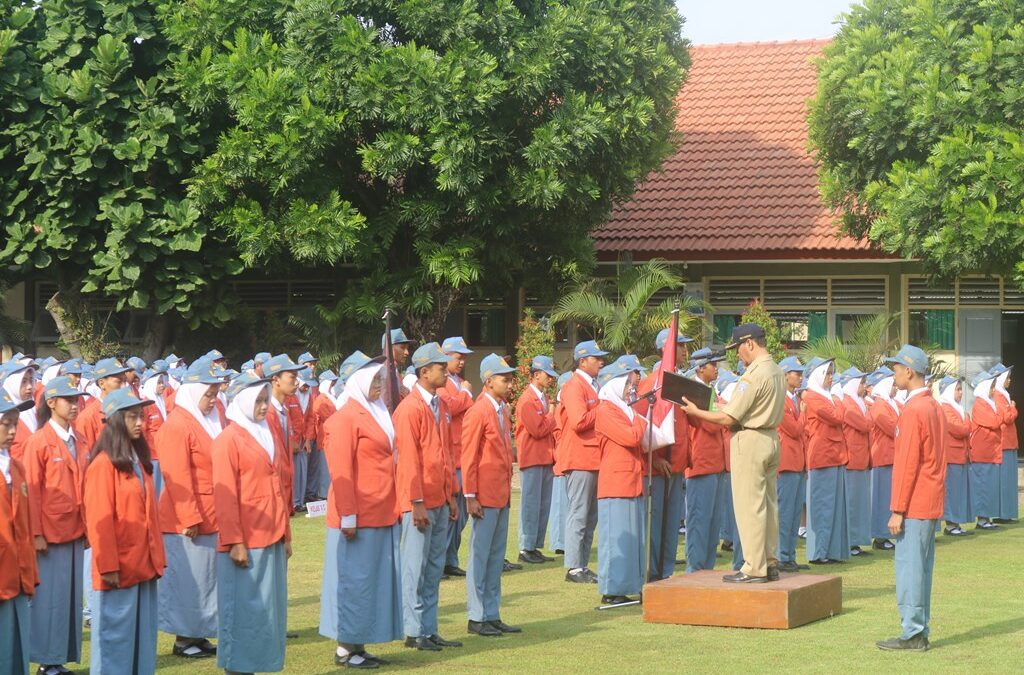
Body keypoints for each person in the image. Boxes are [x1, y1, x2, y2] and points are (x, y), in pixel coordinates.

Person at [681, 324, 786, 583]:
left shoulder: (753, 375)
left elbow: (728, 417)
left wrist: (696, 412)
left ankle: (753, 567)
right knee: (769, 505)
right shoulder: (776, 370)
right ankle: (769, 562)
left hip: (750, 439)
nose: (737, 354)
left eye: (738, 347)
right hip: (771, 437)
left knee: (750, 506)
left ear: (750, 343)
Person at [322, 353, 402, 668]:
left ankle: (358, 643)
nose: (380, 386)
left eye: (381, 380)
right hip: (358, 513)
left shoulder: (376, 411)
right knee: (354, 581)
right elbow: (341, 471)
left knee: (370, 582)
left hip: (381, 510)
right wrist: (349, 515)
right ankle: (346, 648)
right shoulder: (344, 418)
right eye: (375, 380)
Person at [213, 373, 292, 674]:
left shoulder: (266, 431)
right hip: (247, 537)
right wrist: (234, 541)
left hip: (270, 533)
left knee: (266, 612)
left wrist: (286, 533)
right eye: (257, 401)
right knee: (243, 609)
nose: (263, 406)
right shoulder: (228, 440)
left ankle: (256, 666)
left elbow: (279, 486)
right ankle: (237, 668)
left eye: (265, 400)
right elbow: (225, 496)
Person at [83, 389, 166, 675]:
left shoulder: (137, 459)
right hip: (118, 569)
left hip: (143, 565)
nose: (141, 423)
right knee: (114, 645)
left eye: (141, 416)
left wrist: (156, 557)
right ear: (117, 421)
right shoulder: (103, 466)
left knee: (141, 643)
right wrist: (107, 566)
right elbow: (99, 521)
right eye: (132, 417)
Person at [876, 345, 945, 652]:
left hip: (915, 503)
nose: (894, 374)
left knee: (910, 570)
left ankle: (913, 632)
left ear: (910, 371)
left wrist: (897, 509)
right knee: (921, 569)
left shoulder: (915, 409)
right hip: (928, 501)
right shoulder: (932, 406)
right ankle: (919, 629)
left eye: (896, 368)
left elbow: (906, 465)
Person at [393, 343, 460, 652]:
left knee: (433, 569)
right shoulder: (409, 409)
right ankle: (413, 629)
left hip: (438, 498)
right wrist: (416, 502)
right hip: (418, 502)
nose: (446, 370)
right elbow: (408, 460)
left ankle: (429, 629)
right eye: (440, 367)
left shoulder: (441, 405)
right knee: (415, 569)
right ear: (424, 372)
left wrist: (450, 496)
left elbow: (444, 455)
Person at [156, 360, 225, 659]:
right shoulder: (177, 425)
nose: (213, 400)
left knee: (206, 578)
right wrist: (189, 517)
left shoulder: (208, 419)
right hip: (187, 518)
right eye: (208, 394)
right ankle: (185, 639)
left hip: (211, 512)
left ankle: (196, 634)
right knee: (189, 580)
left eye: (215, 394)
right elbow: (177, 476)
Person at [23, 377, 87, 675]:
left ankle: (57, 659)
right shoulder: (39, 442)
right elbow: (33, 492)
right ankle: (47, 662)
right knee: (50, 600)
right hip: (49, 534)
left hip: (74, 531)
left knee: (70, 600)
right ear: (51, 403)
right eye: (68, 400)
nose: (75, 405)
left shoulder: (78, 439)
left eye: (76, 400)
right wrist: (35, 533)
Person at [462, 354, 521, 636]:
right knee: (480, 556)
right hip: (484, 495)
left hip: (500, 493)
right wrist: (471, 495)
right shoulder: (479, 411)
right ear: (488, 381)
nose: (509, 383)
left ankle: (491, 612)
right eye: (504, 378)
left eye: (510, 378)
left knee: (496, 557)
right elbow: (469, 456)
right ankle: (476, 616)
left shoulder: (501, 409)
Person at [638, 329, 693, 581]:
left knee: (671, 523)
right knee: (656, 523)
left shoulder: (680, 379)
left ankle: (667, 570)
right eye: (680, 345)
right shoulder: (652, 382)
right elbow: (641, 423)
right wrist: (655, 458)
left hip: (678, 461)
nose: (684, 350)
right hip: (659, 464)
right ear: (667, 348)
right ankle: (652, 570)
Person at [595, 355, 650, 604]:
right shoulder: (606, 410)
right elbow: (630, 437)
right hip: (616, 483)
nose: (631, 389)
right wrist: (640, 420)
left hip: (630, 480)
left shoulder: (622, 409)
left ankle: (630, 583)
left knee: (632, 537)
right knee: (616, 538)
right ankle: (612, 589)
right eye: (627, 384)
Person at [559, 340, 609, 584]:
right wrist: (604, 408)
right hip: (580, 457)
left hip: (592, 457)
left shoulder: (592, 385)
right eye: (596, 358)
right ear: (582, 361)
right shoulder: (573, 386)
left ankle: (582, 564)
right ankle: (573, 567)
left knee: (590, 516)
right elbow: (579, 421)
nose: (601, 361)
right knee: (579, 513)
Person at [0, 388, 38, 675]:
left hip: (17, 570)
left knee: (16, 647)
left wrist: (30, 572)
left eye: (15, 423)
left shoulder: (17, 467)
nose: (13, 431)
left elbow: (23, 524)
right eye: (6, 424)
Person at [682, 347, 729, 573]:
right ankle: (695, 569)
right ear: (701, 368)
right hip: (702, 464)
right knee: (700, 521)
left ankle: (706, 569)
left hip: (716, 463)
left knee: (712, 523)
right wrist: (722, 412)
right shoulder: (694, 392)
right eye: (713, 365)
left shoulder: (709, 391)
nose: (717, 369)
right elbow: (711, 423)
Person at [802, 358, 850, 565]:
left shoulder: (825, 396)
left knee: (835, 506)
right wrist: (839, 400)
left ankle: (831, 550)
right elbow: (838, 417)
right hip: (822, 456)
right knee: (822, 507)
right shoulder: (813, 397)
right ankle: (819, 552)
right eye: (828, 374)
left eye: (832, 373)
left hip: (834, 455)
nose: (831, 378)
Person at [515, 356, 558, 565]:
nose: (550, 378)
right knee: (531, 504)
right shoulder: (527, 399)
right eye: (547, 375)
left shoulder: (541, 397)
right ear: (535, 375)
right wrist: (552, 415)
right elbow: (537, 429)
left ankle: (534, 546)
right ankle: (525, 547)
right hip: (532, 457)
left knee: (542, 504)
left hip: (544, 456)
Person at [438, 336, 474, 578]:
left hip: (464, 455)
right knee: (450, 513)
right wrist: (465, 394)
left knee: (460, 515)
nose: (461, 362)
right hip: (451, 456)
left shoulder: (458, 382)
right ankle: (441, 560)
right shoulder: (443, 383)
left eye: (463, 358)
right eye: (458, 357)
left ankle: (451, 558)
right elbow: (448, 407)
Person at [776, 357, 808, 573]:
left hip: (797, 462)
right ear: (786, 375)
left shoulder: (794, 399)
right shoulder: (781, 400)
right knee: (785, 513)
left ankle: (789, 555)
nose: (800, 376)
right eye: (796, 373)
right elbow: (795, 430)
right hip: (786, 462)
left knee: (795, 514)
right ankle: (781, 555)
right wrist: (804, 412)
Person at [262, 354, 305, 514]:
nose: (297, 382)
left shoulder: (282, 411)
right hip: (270, 498)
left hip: (283, 495)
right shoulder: (265, 415)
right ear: (276, 379)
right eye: (292, 377)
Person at [841, 368, 873, 556]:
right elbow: (866, 425)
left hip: (861, 459)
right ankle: (851, 542)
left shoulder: (858, 403)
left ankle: (856, 542)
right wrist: (869, 412)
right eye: (861, 383)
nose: (864, 387)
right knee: (853, 504)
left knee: (860, 504)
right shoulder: (849, 404)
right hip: (853, 460)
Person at [867, 368, 899, 550]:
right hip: (883, 456)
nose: (895, 388)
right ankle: (880, 536)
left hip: (890, 456)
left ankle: (883, 536)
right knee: (882, 498)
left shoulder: (888, 403)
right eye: (893, 385)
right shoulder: (880, 406)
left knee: (887, 498)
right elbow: (892, 428)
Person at [938, 376, 972, 536]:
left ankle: (955, 523)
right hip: (952, 456)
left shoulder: (956, 407)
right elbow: (960, 430)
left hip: (960, 455)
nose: (960, 393)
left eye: (960, 389)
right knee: (952, 491)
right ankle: (951, 524)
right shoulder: (946, 408)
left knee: (958, 491)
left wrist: (966, 421)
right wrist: (967, 419)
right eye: (957, 389)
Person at [968, 370, 1002, 530]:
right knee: (982, 486)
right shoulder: (980, 405)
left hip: (990, 453)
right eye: (991, 387)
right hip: (982, 453)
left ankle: (986, 518)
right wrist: (1003, 413)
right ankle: (981, 520)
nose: (994, 390)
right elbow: (995, 422)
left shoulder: (988, 403)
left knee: (988, 487)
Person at [989, 364, 1018, 523]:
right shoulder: (999, 396)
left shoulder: (1003, 395)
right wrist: (1013, 408)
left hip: (1010, 441)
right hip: (1004, 441)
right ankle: (1002, 513)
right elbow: (1006, 417)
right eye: (1007, 377)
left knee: (1009, 480)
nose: (1009, 380)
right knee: (1004, 480)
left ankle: (1007, 513)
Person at [547, 372, 573, 555]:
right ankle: (558, 541)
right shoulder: (560, 408)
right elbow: (558, 434)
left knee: (567, 504)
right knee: (559, 505)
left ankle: (563, 541)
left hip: (567, 459)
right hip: (562, 460)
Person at [139, 365, 170, 496]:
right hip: (151, 456)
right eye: (159, 383)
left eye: (163, 382)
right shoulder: (145, 405)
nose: (162, 386)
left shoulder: (160, 402)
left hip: (161, 453)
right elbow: (142, 431)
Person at [1, 360, 38, 463]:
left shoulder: (31, 409)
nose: (30, 386)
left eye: (31, 380)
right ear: (12, 384)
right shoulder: (4, 413)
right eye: (23, 381)